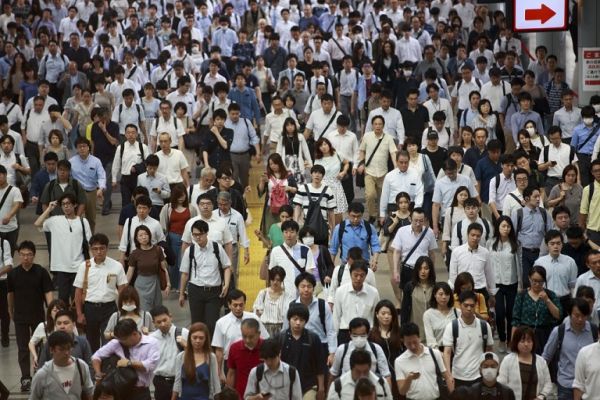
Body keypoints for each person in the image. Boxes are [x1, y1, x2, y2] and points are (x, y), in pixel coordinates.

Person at [7, 240, 54, 392]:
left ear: (34, 255)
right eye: (22, 255)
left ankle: (40, 375)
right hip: (20, 316)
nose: (26, 258)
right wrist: (10, 309)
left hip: (38, 316)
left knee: (40, 347)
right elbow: (10, 294)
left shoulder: (41, 272)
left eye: (29, 255)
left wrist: (51, 310)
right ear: (18, 255)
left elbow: (48, 292)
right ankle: (25, 378)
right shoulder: (13, 274)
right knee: (22, 348)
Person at [73, 233, 128, 353]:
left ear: (107, 248)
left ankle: (106, 369)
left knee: (108, 341)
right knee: (91, 342)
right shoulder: (84, 266)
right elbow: (78, 291)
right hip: (90, 308)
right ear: (91, 250)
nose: (99, 252)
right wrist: (79, 314)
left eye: (102, 248)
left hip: (109, 308)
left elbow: (122, 290)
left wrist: (122, 312)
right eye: (95, 249)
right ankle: (93, 369)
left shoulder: (116, 266)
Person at [34, 193, 92, 305]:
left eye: (68, 203)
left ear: (75, 205)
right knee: (62, 301)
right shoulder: (55, 220)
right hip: (61, 268)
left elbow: (89, 245)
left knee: (78, 301)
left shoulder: (83, 222)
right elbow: (37, 224)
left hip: (79, 267)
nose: (66, 206)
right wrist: (49, 209)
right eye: (63, 204)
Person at [179, 219, 231, 333]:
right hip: (195, 290)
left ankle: (211, 349)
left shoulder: (217, 248)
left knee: (212, 324)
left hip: (214, 291)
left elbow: (226, 267)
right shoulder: (190, 250)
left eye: (200, 234)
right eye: (194, 235)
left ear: (206, 233)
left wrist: (226, 284)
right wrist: (181, 293)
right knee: (197, 324)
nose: (197, 237)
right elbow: (184, 274)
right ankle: (198, 349)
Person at [91, 319, 160, 400]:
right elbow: (96, 356)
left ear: (134, 334)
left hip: (141, 392)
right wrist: (98, 372)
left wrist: (129, 363)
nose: (121, 341)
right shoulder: (116, 343)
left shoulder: (152, 343)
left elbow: (150, 365)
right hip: (120, 391)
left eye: (123, 339)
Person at [213, 290, 269, 386]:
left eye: (241, 305)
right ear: (229, 305)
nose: (238, 308)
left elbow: (266, 340)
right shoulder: (221, 323)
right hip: (231, 364)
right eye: (235, 305)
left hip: (254, 359)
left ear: (245, 304)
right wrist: (220, 372)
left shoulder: (254, 318)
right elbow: (219, 350)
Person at [442, 290, 494, 388]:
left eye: (472, 305)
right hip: (458, 376)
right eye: (466, 305)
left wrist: (489, 372)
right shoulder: (452, 326)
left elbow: (489, 350)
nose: (469, 308)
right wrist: (448, 376)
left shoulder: (484, 326)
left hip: (479, 376)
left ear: (476, 306)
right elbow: (447, 353)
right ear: (460, 305)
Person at [29, 331, 95, 400]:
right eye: (61, 349)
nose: (66, 353)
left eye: (69, 348)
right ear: (51, 350)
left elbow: (90, 393)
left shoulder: (81, 366)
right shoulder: (43, 374)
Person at [278, 304, 325, 399]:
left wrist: (321, 388)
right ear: (289, 319)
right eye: (295, 319)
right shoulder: (280, 338)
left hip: (309, 386)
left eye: (302, 320)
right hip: (285, 387)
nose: (298, 323)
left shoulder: (313, 338)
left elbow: (320, 366)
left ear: (306, 321)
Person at [512, 266, 562, 354]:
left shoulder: (551, 295)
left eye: (540, 281)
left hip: (545, 335)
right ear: (529, 278)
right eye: (534, 281)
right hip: (526, 335)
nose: (537, 284)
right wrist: (513, 341)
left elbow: (558, 315)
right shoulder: (522, 295)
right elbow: (515, 320)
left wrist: (547, 300)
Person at [396, 322, 453, 399]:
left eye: (415, 342)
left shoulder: (434, 353)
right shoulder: (399, 361)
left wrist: (453, 394)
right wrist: (409, 378)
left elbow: (446, 377)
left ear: (419, 338)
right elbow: (402, 391)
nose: (412, 346)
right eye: (408, 343)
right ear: (403, 341)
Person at [511, 186, 553, 287]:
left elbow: (550, 233)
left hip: (540, 253)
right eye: (535, 196)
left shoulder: (544, 213)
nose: (538, 199)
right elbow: (513, 234)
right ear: (526, 199)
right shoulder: (518, 213)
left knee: (541, 281)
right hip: (524, 253)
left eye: (539, 196)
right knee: (525, 282)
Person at [329, 317, 391, 385]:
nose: (359, 338)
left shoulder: (376, 349)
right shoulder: (342, 350)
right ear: (350, 334)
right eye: (355, 335)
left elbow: (386, 375)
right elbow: (333, 374)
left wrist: (388, 394)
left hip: (370, 390)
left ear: (368, 334)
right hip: (346, 391)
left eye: (362, 335)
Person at [497, 326, 552, 400]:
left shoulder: (541, 361)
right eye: (522, 341)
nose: (526, 344)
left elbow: (548, 383)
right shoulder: (508, 360)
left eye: (529, 341)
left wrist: (541, 396)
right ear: (516, 342)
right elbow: (501, 383)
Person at [333, 260, 381, 345]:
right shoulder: (340, 291)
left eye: (362, 276)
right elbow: (336, 316)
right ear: (350, 274)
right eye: (355, 275)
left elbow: (376, 317)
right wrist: (333, 342)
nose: (358, 278)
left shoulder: (373, 293)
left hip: (367, 333)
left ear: (366, 276)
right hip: (346, 332)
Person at [391, 207, 437, 291]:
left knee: (424, 295)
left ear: (425, 220)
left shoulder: (429, 232)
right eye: (415, 220)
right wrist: (396, 271)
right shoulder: (402, 231)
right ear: (410, 218)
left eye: (421, 221)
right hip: (407, 268)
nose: (418, 224)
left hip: (423, 270)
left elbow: (432, 254)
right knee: (407, 296)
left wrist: (432, 271)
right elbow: (397, 252)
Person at [172, 322, 221, 400]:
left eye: (201, 338)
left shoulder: (211, 357)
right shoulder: (181, 357)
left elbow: (216, 383)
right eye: (194, 337)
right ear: (190, 338)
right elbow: (177, 382)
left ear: (205, 339)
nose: (198, 341)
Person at [149, 305, 189, 400]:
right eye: (159, 322)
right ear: (153, 323)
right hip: (160, 382)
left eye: (165, 320)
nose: (163, 324)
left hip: (180, 381)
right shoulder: (152, 339)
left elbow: (197, 355)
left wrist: (187, 346)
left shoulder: (184, 333)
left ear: (170, 317)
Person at [127, 225, 169, 312]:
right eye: (140, 235)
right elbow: (130, 272)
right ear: (136, 238)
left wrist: (168, 284)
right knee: (144, 311)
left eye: (146, 234)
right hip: (141, 284)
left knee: (157, 309)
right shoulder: (135, 254)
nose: (144, 237)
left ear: (149, 235)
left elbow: (164, 268)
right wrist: (124, 287)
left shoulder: (157, 250)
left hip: (155, 282)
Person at [534, 230, 578, 312]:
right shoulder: (539, 262)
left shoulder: (570, 262)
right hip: (546, 300)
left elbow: (573, 286)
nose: (556, 246)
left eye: (558, 243)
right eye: (552, 243)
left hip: (565, 300)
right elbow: (536, 285)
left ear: (562, 244)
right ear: (547, 245)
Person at [368, 300, 403, 400]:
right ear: (377, 315)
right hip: (379, 374)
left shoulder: (400, 332)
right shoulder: (371, 334)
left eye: (389, 314)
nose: (386, 316)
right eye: (383, 313)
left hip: (398, 373)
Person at [268, 220, 315, 294]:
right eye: (286, 232)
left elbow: (309, 273)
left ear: (297, 233)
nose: (288, 235)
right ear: (282, 233)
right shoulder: (275, 251)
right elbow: (272, 274)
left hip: (301, 294)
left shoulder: (305, 249)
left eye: (292, 232)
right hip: (282, 293)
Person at [69, 137, 106, 232]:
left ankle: (91, 239)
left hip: (91, 192)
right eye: (79, 147)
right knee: (75, 217)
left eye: (84, 146)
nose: (82, 149)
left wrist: (100, 189)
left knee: (91, 218)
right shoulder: (71, 162)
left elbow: (101, 176)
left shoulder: (96, 161)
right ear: (76, 149)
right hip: (76, 192)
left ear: (88, 147)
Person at [326, 349, 393, 400]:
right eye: (358, 372)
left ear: (370, 368)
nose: (362, 376)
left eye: (365, 371)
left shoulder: (382, 383)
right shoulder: (337, 386)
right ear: (351, 368)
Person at [329, 202, 381, 268]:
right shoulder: (339, 228)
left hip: (364, 266)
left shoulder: (369, 227)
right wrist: (330, 267)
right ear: (348, 214)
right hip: (346, 266)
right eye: (353, 216)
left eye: (358, 216)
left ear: (362, 214)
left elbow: (376, 246)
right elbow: (333, 249)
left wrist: (374, 260)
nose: (355, 219)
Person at [225, 318, 265, 398]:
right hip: (240, 395)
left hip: (263, 395)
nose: (247, 340)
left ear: (258, 333)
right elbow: (231, 373)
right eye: (244, 336)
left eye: (251, 337)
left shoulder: (266, 347)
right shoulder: (234, 348)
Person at [252, 266, 295, 337]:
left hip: (282, 329)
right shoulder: (263, 293)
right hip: (264, 329)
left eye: (278, 280)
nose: (275, 282)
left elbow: (289, 314)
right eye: (273, 279)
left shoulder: (288, 296)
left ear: (282, 280)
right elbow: (256, 313)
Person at [401, 256, 435, 340]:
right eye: (420, 268)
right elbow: (404, 310)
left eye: (426, 268)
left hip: (432, 332)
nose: (423, 271)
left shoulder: (435, 287)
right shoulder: (410, 287)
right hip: (414, 331)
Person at [423, 282, 458, 348]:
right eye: (441, 294)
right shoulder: (428, 314)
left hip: (456, 350)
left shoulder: (457, 312)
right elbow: (430, 340)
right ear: (434, 295)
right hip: (438, 350)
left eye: (447, 294)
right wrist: (439, 354)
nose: (444, 297)